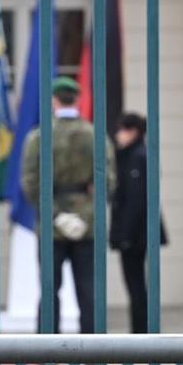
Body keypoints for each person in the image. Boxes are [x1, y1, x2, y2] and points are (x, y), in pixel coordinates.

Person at [19, 76, 113, 333]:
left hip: (52, 220)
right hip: (88, 219)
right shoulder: (95, 136)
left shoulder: (39, 137)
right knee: (88, 289)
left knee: (49, 289)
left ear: (54, 100)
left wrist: (56, 214)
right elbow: (109, 181)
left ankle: (46, 351)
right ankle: (93, 353)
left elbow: (30, 181)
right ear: (78, 99)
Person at [110, 113, 167, 334]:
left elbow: (135, 200)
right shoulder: (137, 155)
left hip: (135, 234)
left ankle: (141, 331)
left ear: (132, 131)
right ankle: (142, 329)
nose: (117, 135)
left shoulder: (136, 157)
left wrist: (124, 235)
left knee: (135, 284)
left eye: (121, 130)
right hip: (139, 231)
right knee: (137, 284)